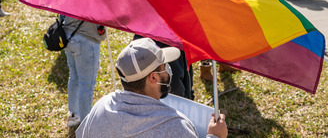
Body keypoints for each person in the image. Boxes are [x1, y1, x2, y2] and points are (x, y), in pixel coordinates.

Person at [76, 37, 228, 138]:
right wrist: (214, 136)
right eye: (164, 65)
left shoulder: (101, 107)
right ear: (153, 77)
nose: (168, 68)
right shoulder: (176, 127)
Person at [63, 16, 107, 127]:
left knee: (74, 77)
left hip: (68, 36)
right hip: (87, 39)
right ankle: (86, 124)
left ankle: (74, 115)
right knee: (86, 85)